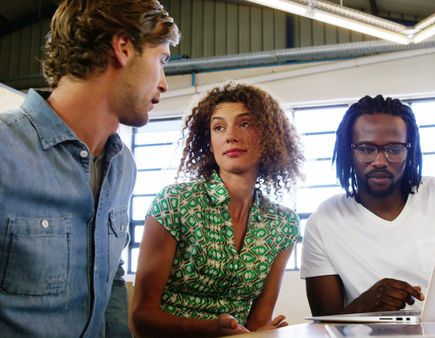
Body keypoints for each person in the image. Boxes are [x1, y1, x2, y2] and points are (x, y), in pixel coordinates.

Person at [0, 1, 180, 336]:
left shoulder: (122, 165)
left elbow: (109, 275)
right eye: (162, 60)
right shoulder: (5, 151)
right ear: (123, 47)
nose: (164, 83)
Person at [130, 82, 305, 337]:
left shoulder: (282, 223)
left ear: (269, 136)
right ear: (210, 142)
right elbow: (141, 319)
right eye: (219, 127)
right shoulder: (176, 202)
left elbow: (257, 323)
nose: (230, 135)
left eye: (244, 123)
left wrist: (260, 333)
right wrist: (212, 330)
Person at [300, 95, 435, 316]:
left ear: (410, 150)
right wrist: (366, 305)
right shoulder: (324, 222)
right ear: (348, 152)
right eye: (365, 148)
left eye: (394, 148)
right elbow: (325, 327)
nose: (380, 161)